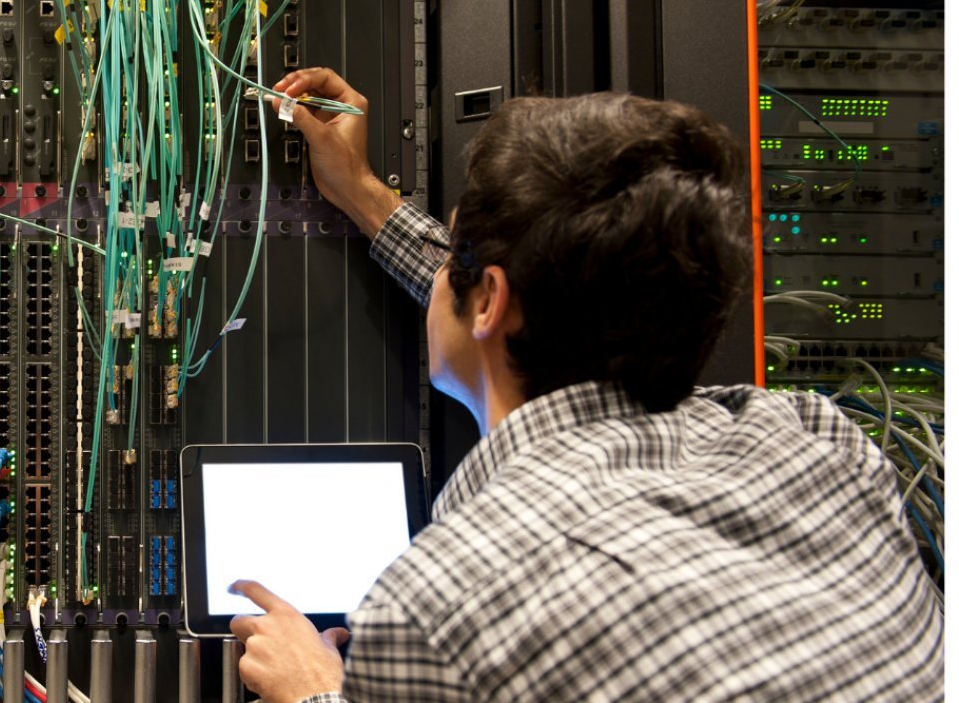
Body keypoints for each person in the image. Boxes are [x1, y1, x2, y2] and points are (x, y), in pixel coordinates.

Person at [223, 68, 945, 702]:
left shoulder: (441, 606)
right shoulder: (817, 441)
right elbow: (493, 295)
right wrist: (363, 195)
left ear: (489, 300)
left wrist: (313, 689)